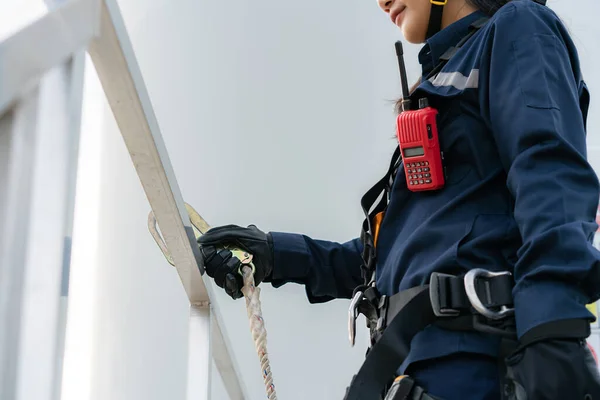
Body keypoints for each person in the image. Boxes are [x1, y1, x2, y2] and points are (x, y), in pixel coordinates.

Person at [198, 0, 600, 398]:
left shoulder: (518, 26)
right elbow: (392, 256)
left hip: (475, 364)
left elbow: (548, 175)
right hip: (405, 372)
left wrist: (551, 329)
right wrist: (273, 255)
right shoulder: (440, 81)